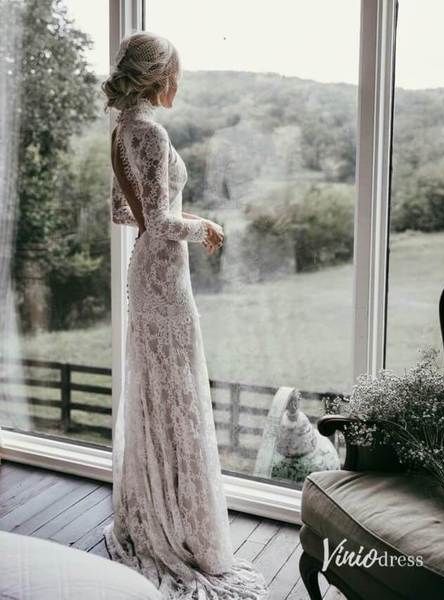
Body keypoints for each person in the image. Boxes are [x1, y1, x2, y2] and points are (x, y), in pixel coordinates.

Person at [101, 31, 268, 599]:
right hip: (164, 276)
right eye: (175, 72)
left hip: (145, 270)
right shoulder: (149, 131)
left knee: (160, 389)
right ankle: (181, 530)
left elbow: (125, 213)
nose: (179, 82)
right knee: (173, 390)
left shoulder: (122, 129)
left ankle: (155, 509)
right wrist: (205, 226)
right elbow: (157, 222)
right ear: (155, 77)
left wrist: (180, 216)